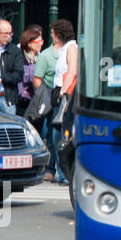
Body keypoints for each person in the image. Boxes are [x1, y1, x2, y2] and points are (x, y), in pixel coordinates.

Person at [50, 19, 79, 182]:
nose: (51, 36)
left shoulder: (71, 47)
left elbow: (72, 70)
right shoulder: (62, 49)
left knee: (60, 132)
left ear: (59, 34)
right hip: (59, 92)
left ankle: (64, 174)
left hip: (65, 93)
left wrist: (63, 92)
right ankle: (61, 173)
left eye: (53, 33)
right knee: (56, 133)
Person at [34, 26, 61, 181]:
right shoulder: (46, 55)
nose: (50, 35)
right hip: (51, 99)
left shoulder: (70, 51)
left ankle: (62, 170)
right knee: (50, 134)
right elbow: (37, 79)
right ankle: (50, 168)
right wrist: (46, 97)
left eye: (52, 33)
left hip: (68, 98)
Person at [16, 26, 44, 117]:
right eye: (38, 42)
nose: (40, 44)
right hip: (22, 102)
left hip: (38, 101)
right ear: (29, 43)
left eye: (41, 41)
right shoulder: (18, 57)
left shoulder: (42, 58)